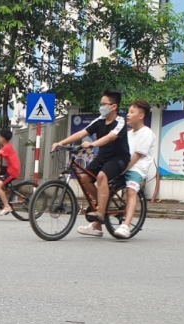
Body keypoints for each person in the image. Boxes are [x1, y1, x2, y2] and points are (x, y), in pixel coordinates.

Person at [51, 90, 130, 237]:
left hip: (119, 158)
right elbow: (81, 133)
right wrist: (60, 143)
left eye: (104, 104)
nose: (101, 107)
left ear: (113, 106)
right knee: (85, 178)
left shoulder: (120, 121)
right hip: (103, 157)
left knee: (101, 176)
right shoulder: (100, 120)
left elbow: (110, 138)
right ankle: (100, 214)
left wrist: (93, 145)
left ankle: (100, 212)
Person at [116, 99, 155, 240]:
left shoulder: (147, 133)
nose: (128, 114)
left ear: (141, 115)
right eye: (128, 111)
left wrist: (124, 170)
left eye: (131, 112)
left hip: (137, 168)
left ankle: (126, 225)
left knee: (131, 191)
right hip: (124, 166)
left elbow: (137, 156)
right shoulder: (127, 133)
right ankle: (96, 224)